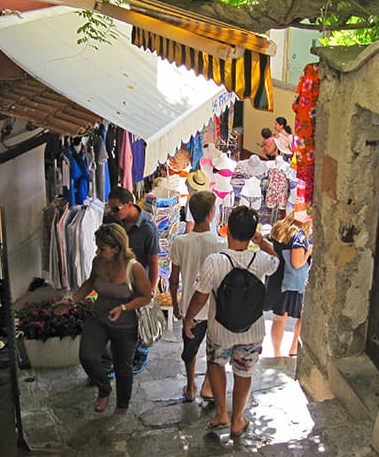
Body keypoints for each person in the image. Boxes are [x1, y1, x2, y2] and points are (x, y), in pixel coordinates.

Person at [183, 206, 279, 438]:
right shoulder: (262, 260)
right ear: (251, 234)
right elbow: (277, 261)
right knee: (244, 372)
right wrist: (263, 242)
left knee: (216, 365)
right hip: (252, 329)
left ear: (227, 231)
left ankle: (221, 414)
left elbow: (200, 296)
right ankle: (237, 420)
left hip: (220, 329)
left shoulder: (215, 261)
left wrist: (189, 318)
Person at [60, 223, 152, 414]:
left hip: (125, 325)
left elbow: (146, 296)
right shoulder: (98, 262)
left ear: (116, 248)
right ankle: (104, 388)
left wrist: (124, 307)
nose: (97, 251)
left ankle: (122, 404)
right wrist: (72, 300)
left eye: (102, 248)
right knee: (87, 356)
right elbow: (90, 283)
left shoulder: (134, 268)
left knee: (122, 367)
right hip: (99, 317)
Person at [169, 191, 226, 402]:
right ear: (212, 213)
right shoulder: (220, 243)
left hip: (189, 307)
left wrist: (175, 303)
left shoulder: (180, 242)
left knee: (190, 350)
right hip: (213, 308)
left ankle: (190, 385)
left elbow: (174, 279)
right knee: (215, 351)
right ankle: (207, 385)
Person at [104, 186, 160, 374]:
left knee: (137, 324)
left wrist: (150, 292)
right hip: (115, 283)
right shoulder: (112, 222)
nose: (112, 213)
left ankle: (139, 355)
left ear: (129, 204)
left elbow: (153, 264)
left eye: (116, 209)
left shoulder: (147, 229)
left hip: (137, 285)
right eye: (110, 209)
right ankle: (115, 360)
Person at [268, 211, 313, 357]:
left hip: (278, 278)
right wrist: (309, 252)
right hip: (295, 283)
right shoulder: (299, 236)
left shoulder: (278, 228)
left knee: (279, 318)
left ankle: (276, 353)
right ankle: (294, 348)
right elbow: (297, 262)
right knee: (302, 316)